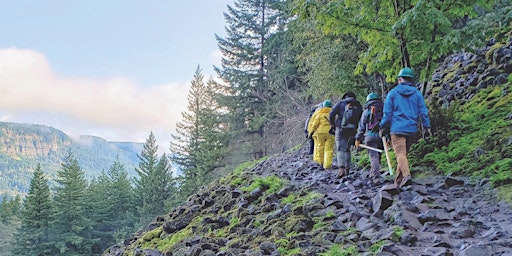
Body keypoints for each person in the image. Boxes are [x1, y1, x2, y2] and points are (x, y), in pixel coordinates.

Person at [379, 67, 431, 187]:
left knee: (400, 154)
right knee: (403, 155)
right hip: (411, 129)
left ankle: (407, 175)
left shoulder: (393, 93)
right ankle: (398, 182)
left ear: (400, 79)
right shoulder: (417, 94)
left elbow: (387, 113)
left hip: (397, 129)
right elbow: (423, 112)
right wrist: (427, 127)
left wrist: (382, 126)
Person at [329, 92, 362, 178]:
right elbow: (361, 118)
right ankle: (347, 169)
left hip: (340, 128)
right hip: (352, 130)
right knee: (347, 149)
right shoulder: (358, 105)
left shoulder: (341, 103)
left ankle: (341, 169)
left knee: (340, 148)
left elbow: (331, 114)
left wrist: (333, 124)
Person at [355, 93, 384, 185]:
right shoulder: (383, 110)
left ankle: (376, 177)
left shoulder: (366, 111)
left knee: (373, 157)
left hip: (369, 137)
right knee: (378, 156)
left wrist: (358, 138)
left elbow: (362, 127)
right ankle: (373, 173)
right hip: (381, 137)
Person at [308, 100, 335, 169]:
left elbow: (315, 124)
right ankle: (327, 165)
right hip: (331, 132)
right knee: (329, 149)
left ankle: (320, 163)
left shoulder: (320, 113)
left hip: (320, 133)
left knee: (320, 147)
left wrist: (311, 132)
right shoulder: (334, 113)